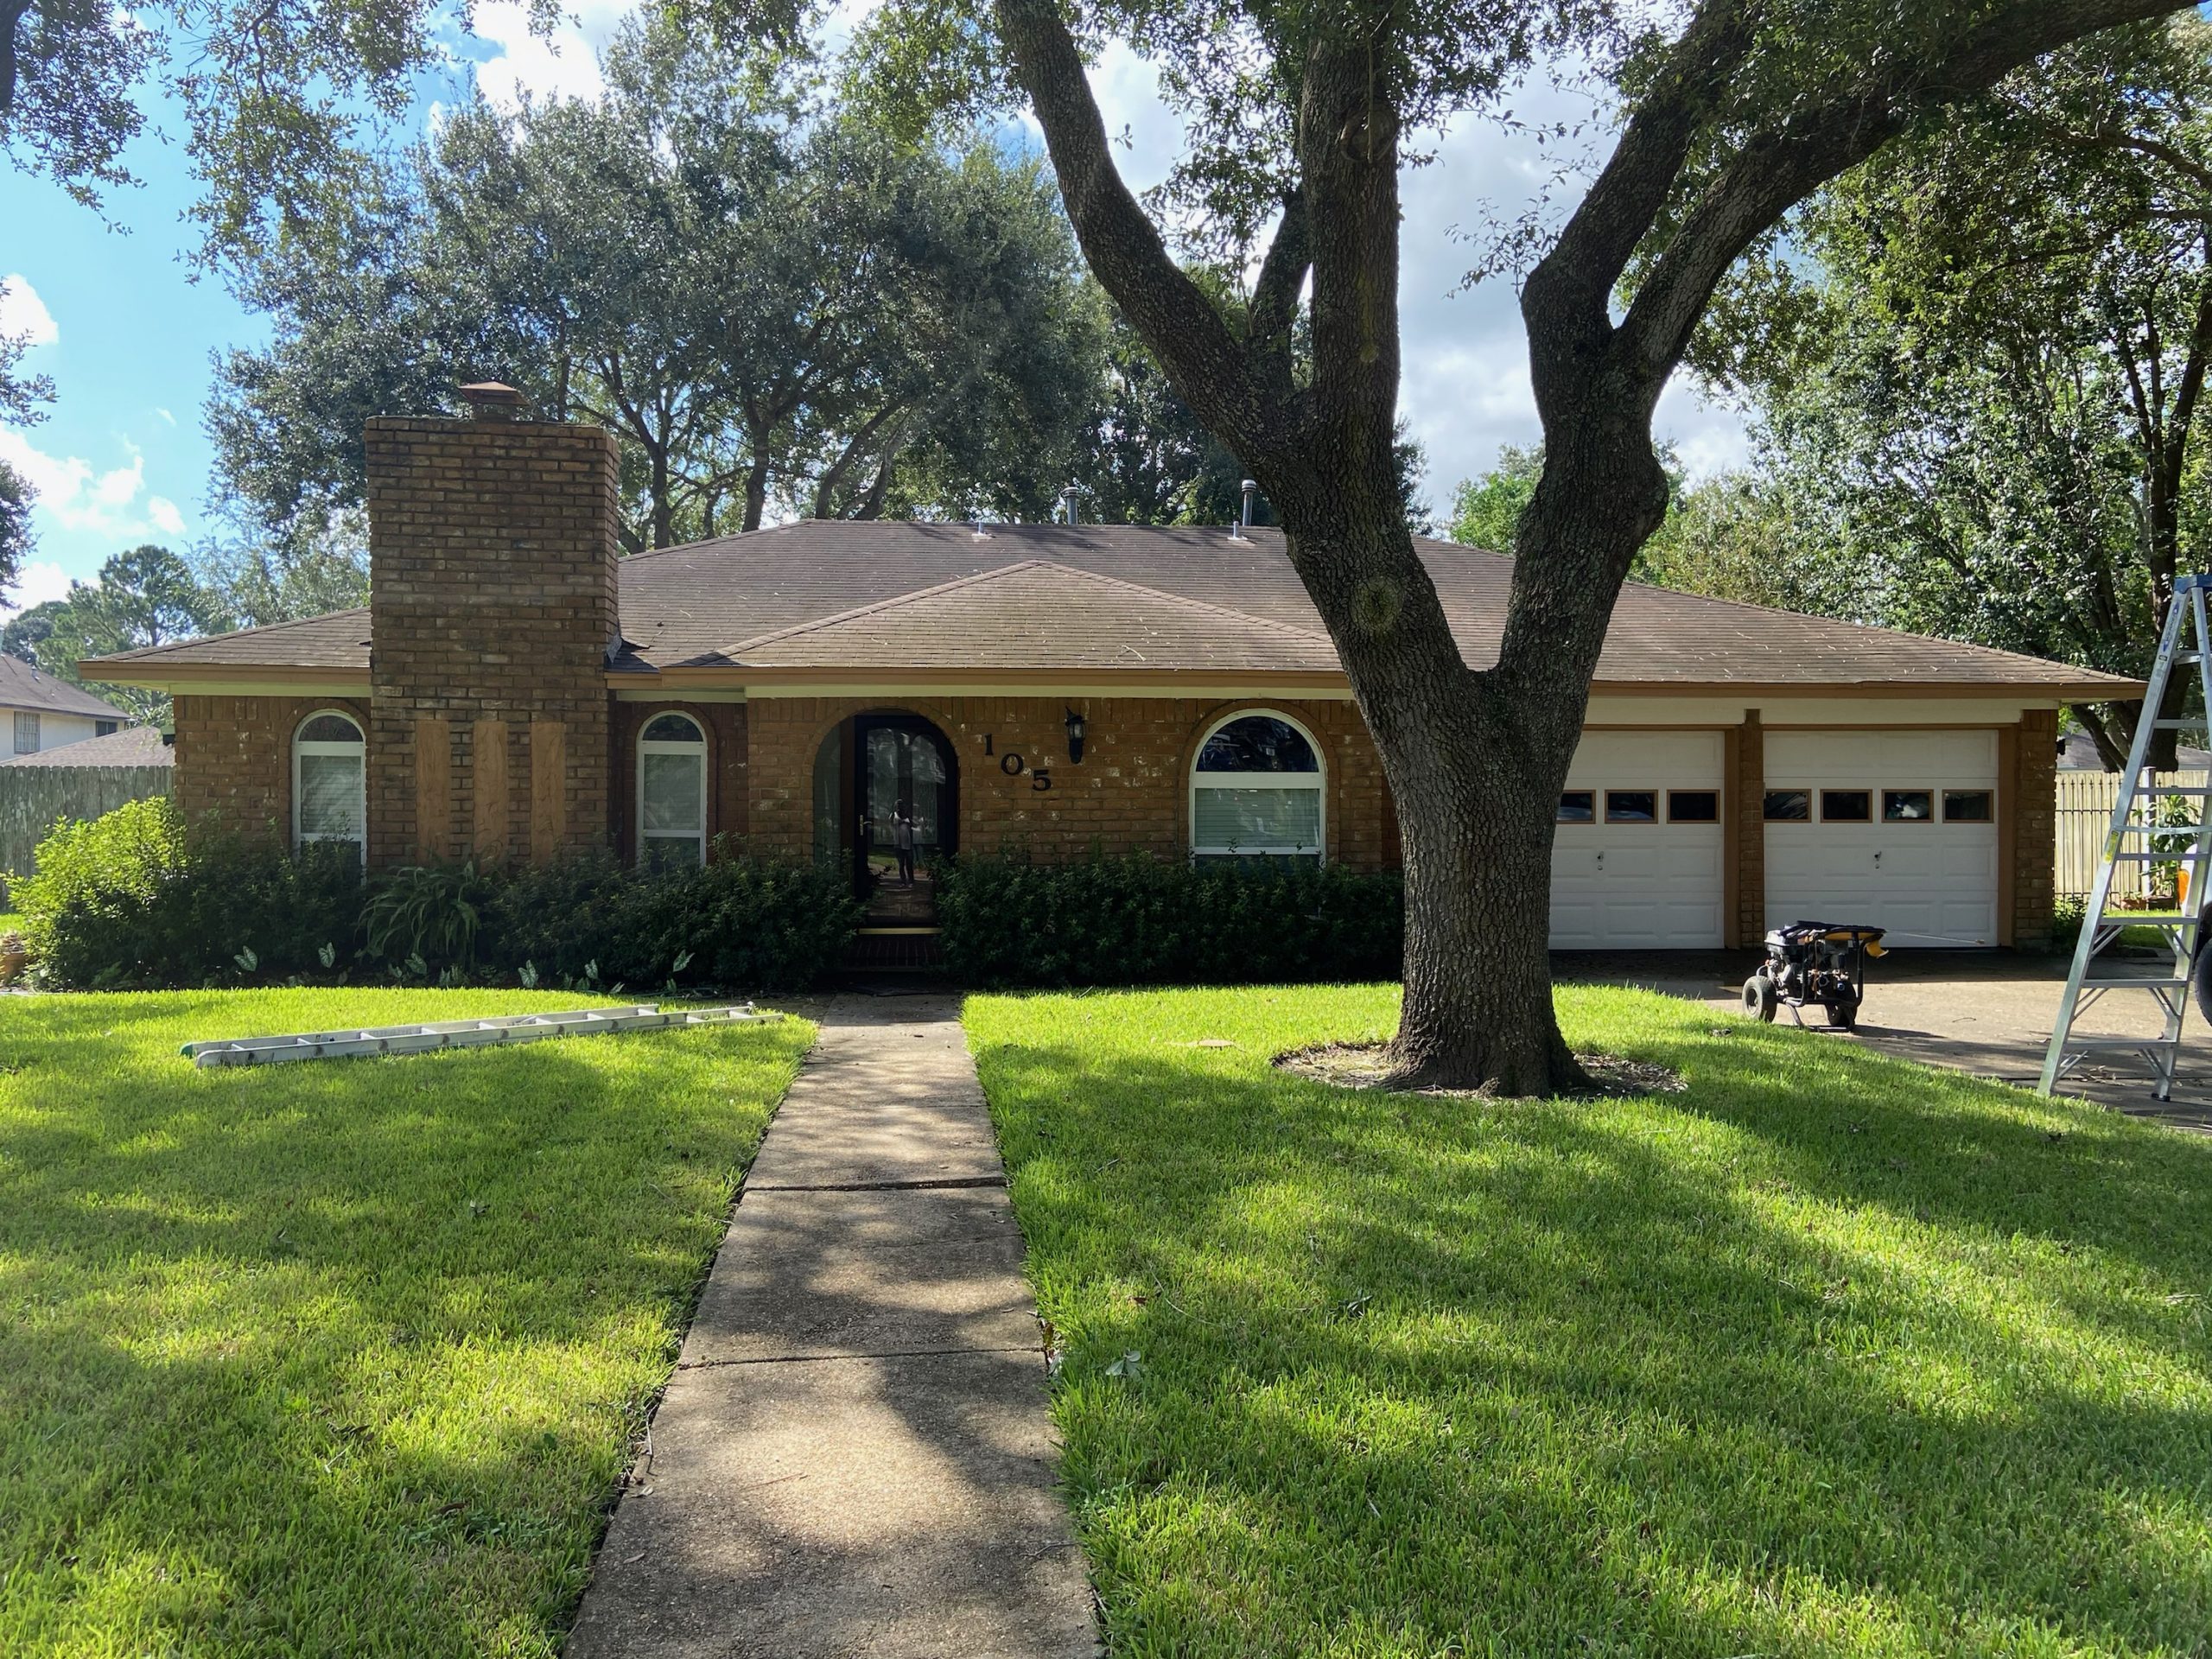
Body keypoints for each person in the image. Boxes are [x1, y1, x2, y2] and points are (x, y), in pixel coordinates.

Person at [893, 803, 917, 886]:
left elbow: (913, 824)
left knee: (909, 864)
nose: (901, 810)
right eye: (899, 808)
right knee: (901, 864)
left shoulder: (908, 817)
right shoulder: (894, 815)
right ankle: (903, 881)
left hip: (908, 845)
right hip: (898, 844)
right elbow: (896, 821)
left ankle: (911, 881)